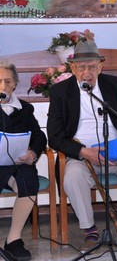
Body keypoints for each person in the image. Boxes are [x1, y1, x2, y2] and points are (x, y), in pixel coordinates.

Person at [47, 39, 117, 253]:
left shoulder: (115, 85)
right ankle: (90, 231)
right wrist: (84, 152)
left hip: (115, 152)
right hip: (81, 155)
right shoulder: (60, 92)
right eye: (82, 67)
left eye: (92, 66)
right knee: (72, 176)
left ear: (100, 67)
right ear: (73, 68)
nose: (88, 72)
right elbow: (55, 137)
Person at [0, 62, 47, 261]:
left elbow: (39, 137)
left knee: (29, 180)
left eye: (7, 81)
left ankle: (13, 240)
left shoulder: (25, 109)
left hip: (18, 164)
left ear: (15, 84)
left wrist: (33, 153)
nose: (2, 86)